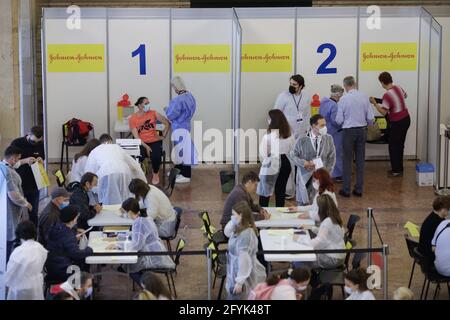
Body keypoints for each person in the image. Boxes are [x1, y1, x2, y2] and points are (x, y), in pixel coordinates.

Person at [119, 198, 175, 284]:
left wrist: (119, 245)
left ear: (129, 212)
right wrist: (121, 236)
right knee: (128, 265)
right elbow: (138, 234)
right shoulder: (144, 217)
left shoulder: (139, 222)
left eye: (125, 212)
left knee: (129, 267)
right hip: (156, 252)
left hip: (152, 256)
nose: (125, 215)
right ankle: (147, 287)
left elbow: (137, 245)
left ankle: (148, 289)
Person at [336, 76, 374, 198]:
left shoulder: (343, 99)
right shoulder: (364, 97)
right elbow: (370, 118)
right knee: (360, 160)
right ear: (355, 84)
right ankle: (358, 189)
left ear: (345, 86)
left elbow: (338, 119)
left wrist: (344, 123)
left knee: (347, 161)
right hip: (362, 131)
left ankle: (346, 190)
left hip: (348, 131)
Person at [274, 74, 311, 199]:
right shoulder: (283, 96)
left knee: (299, 162)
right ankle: (288, 190)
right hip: (286, 135)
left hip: (300, 134)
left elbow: (307, 115)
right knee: (288, 163)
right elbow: (276, 114)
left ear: (301, 86)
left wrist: (307, 130)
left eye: (294, 85)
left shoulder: (306, 97)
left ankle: (300, 189)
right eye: (290, 83)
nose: (291, 86)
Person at [84, 133, 147, 205]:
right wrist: (145, 183)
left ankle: (109, 213)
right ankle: (124, 211)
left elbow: (89, 171)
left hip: (106, 172)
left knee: (108, 199)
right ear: (111, 141)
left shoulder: (95, 150)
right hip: (124, 171)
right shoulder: (117, 147)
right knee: (124, 196)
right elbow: (135, 166)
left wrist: (88, 187)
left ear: (100, 143)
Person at [370, 72, 411, 177]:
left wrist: (375, 103)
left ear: (383, 82)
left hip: (398, 122)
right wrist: (379, 100)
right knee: (400, 145)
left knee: (393, 146)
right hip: (406, 119)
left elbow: (383, 112)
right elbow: (404, 96)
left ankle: (396, 171)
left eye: (381, 83)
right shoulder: (398, 88)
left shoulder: (387, 94)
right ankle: (399, 168)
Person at [290, 114, 336, 205]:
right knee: (303, 203)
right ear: (314, 126)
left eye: (325, 125)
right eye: (322, 125)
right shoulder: (302, 139)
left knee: (320, 203)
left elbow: (332, 157)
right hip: (305, 176)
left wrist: (326, 173)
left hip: (321, 177)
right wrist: (304, 163)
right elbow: (293, 155)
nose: (325, 128)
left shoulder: (328, 138)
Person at [224, 201, 266, 300]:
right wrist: (234, 221)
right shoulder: (239, 228)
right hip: (235, 272)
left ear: (241, 215)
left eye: (234, 215)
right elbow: (227, 232)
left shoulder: (246, 235)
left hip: (242, 278)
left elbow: (244, 261)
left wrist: (240, 281)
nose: (232, 217)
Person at [294, 194, 345, 269]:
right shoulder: (334, 217)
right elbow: (328, 234)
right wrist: (312, 228)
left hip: (331, 258)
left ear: (321, 209)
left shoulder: (327, 222)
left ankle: (302, 278)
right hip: (338, 256)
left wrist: (299, 239)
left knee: (299, 259)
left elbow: (318, 242)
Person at [257, 109, 296, 207]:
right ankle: (280, 213)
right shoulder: (290, 135)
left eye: (269, 118)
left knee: (265, 191)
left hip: (272, 162)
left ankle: (263, 211)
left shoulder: (268, 137)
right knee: (281, 190)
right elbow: (293, 150)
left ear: (272, 121)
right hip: (286, 162)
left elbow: (262, 155)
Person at [0, 146, 33, 260]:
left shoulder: (2, 168)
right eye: (18, 158)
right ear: (13, 158)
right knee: (9, 238)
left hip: (5, 209)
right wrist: (25, 203)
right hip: (9, 210)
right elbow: (13, 194)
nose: (19, 161)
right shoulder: (8, 172)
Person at [45, 206, 93, 282]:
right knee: (84, 268)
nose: (76, 221)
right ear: (72, 219)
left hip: (52, 267)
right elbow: (76, 254)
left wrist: (74, 232)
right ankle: (80, 291)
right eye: (76, 218)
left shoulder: (55, 227)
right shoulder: (67, 235)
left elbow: (63, 242)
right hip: (64, 270)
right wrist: (90, 249)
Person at [129, 97, 171, 185]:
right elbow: (136, 137)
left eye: (149, 103)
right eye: (146, 103)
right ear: (140, 106)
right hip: (142, 142)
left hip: (154, 141)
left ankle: (155, 173)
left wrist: (163, 135)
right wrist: (146, 147)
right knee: (137, 157)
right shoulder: (133, 118)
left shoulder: (153, 113)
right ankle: (139, 174)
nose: (148, 105)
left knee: (156, 157)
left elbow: (167, 123)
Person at [10, 125, 45, 226]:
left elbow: (42, 157)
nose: (35, 143)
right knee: (17, 213)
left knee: (33, 212)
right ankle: (17, 236)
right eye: (33, 141)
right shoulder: (17, 143)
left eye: (38, 141)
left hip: (34, 182)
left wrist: (40, 161)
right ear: (28, 135)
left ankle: (33, 235)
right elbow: (10, 163)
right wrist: (25, 161)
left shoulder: (41, 144)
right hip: (19, 182)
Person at [166, 76, 197, 184]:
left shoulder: (177, 100)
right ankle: (178, 171)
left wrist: (167, 110)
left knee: (184, 151)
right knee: (182, 150)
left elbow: (171, 115)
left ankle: (186, 175)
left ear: (175, 87)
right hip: (186, 125)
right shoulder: (190, 97)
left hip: (179, 127)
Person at [5, 221, 48, 300]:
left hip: (20, 287)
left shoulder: (18, 251)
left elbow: (10, 272)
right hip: (36, 285)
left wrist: (7, 282)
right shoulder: (41, 248)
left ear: (19, 234)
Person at [319, 85, 344, 182]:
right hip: (335, 132)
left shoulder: (324, 102)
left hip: (325, 131)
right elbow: (335, 121)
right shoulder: (334, 105)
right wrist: (343, 125)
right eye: (340, 96)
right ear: (337, 95)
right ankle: (337, 174)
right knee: (336, 153)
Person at [418, 196, 450, 268]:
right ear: (442, 209)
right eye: (448, 209)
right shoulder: (439, 223)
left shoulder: (432, 216)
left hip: (423, 252)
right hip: (429, 256)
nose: (449, 211)